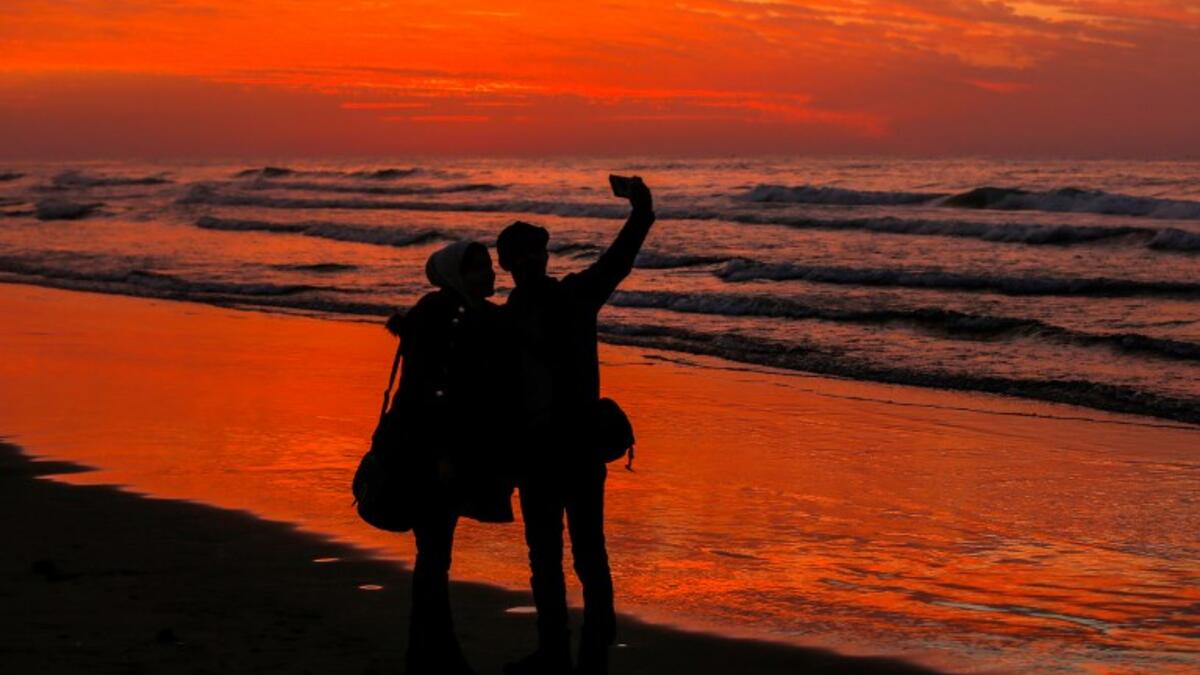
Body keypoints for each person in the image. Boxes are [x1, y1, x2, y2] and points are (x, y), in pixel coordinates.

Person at [498, 178, 655, 675]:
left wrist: (643, 210)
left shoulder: (563, 299)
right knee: (561, 555)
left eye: (537, 253)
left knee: (573, 553)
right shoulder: (529, 310)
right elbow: (496, 392)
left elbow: (620, 260)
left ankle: (584, 643)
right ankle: (572, 646)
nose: (533, 262)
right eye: (526, 256)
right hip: (547, 454)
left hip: (565, 453)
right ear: (512, 264)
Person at [385, 240, 515, 675]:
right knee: (435, 553)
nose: (490, 274)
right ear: (457, 275)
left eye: (489, 267)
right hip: (430, 453)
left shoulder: (454, 312)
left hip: (432, 448)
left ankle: (425, 652)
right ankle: (435, 654)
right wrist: (441, 454)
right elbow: (431, 391)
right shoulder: (445, 317)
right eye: (478, 269)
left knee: (434, 554)